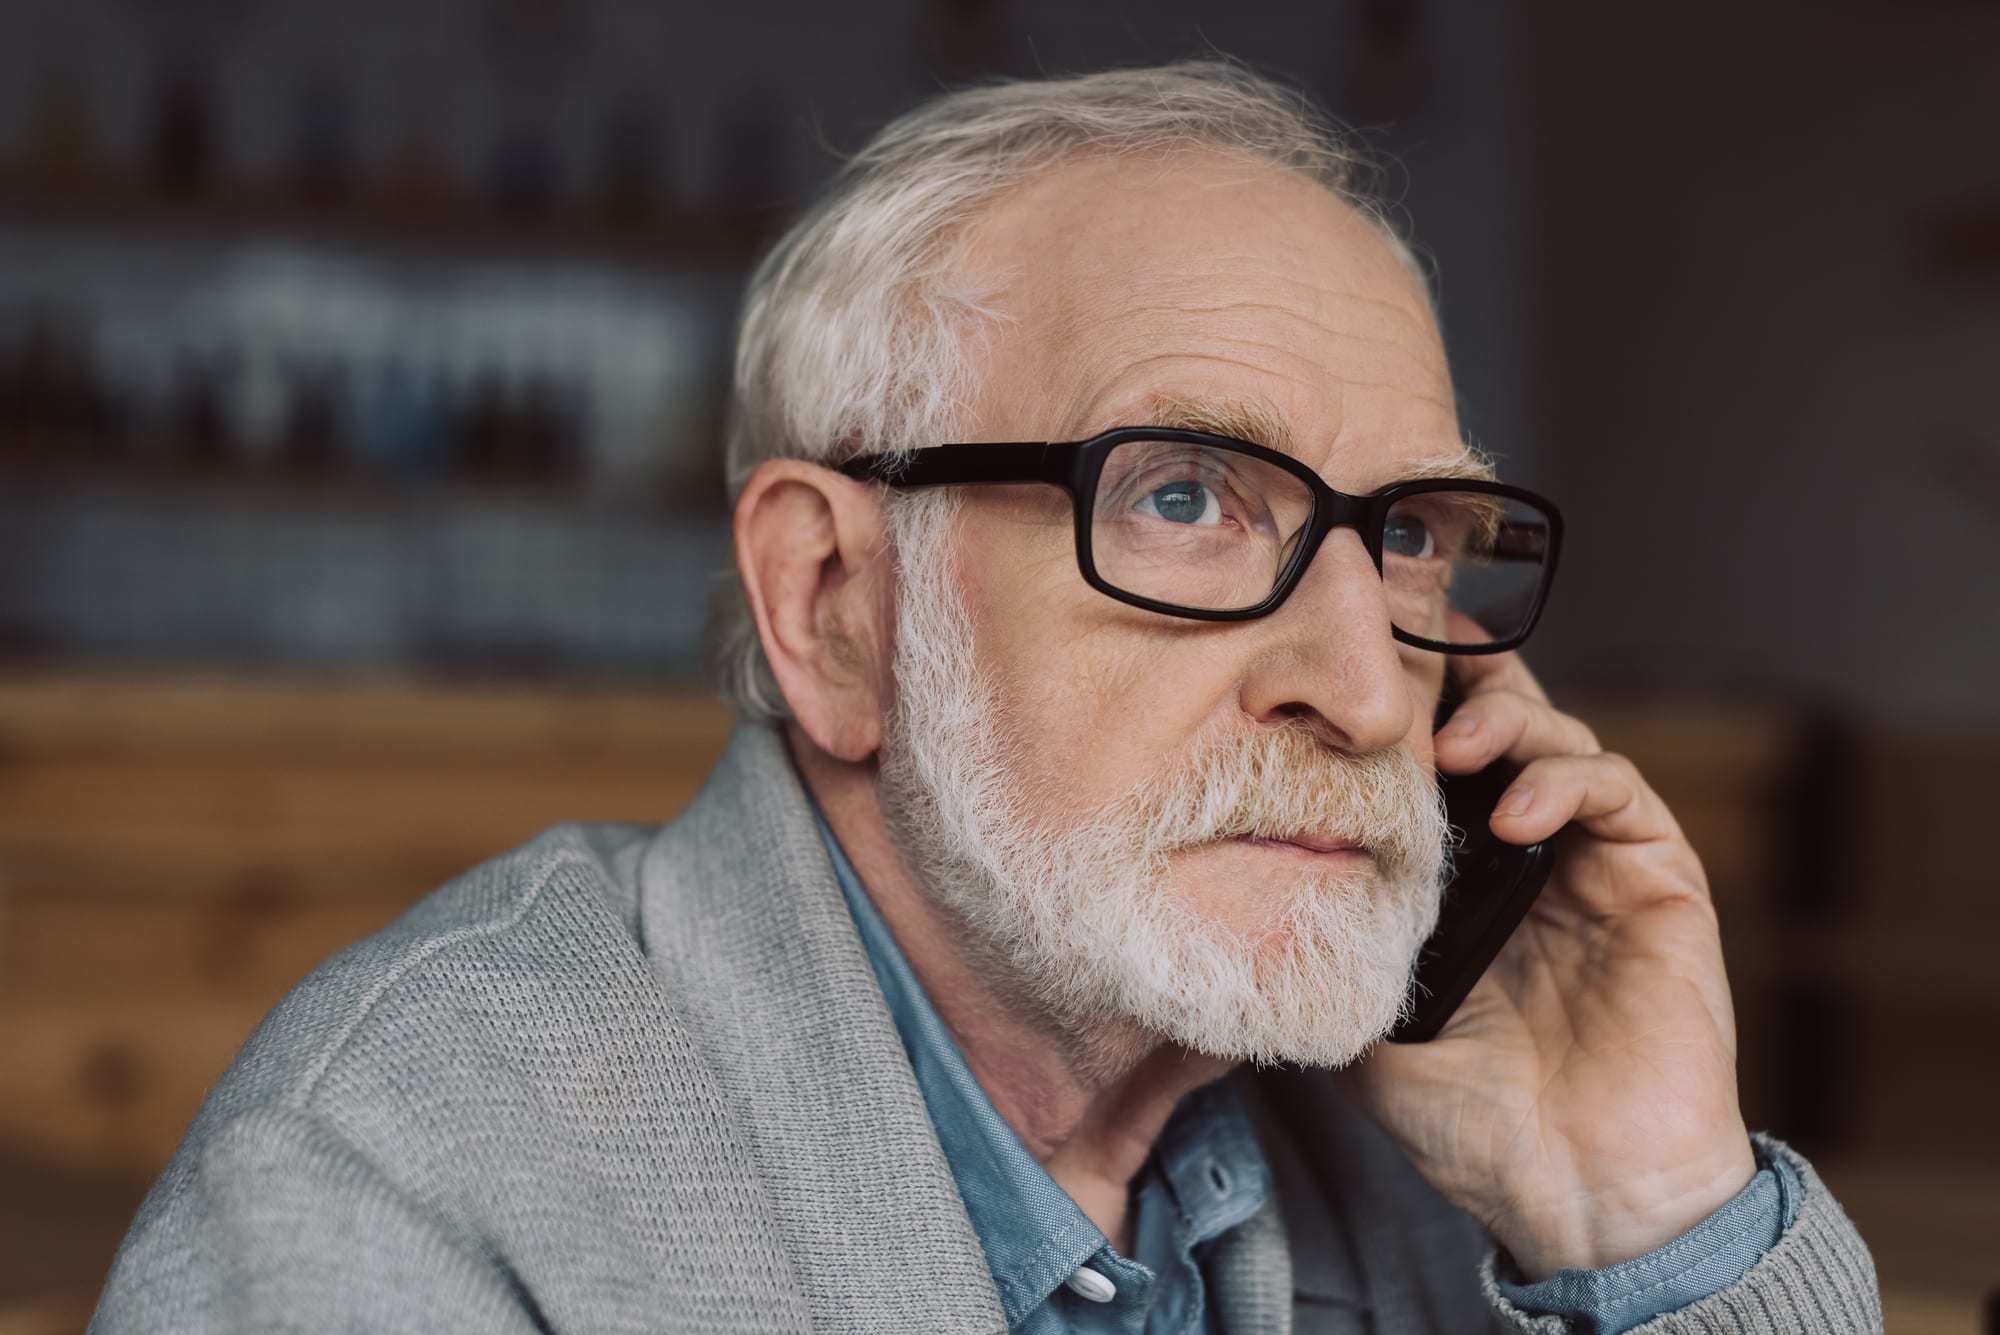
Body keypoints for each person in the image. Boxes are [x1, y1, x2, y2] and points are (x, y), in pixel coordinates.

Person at [93, 63, 1880, 1334]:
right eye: (1184, 495)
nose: (1362, 684)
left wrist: (1649, 1223)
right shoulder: (414, 1170)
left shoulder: (1451, 1159)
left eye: (1408, 534)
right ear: (835, 607)